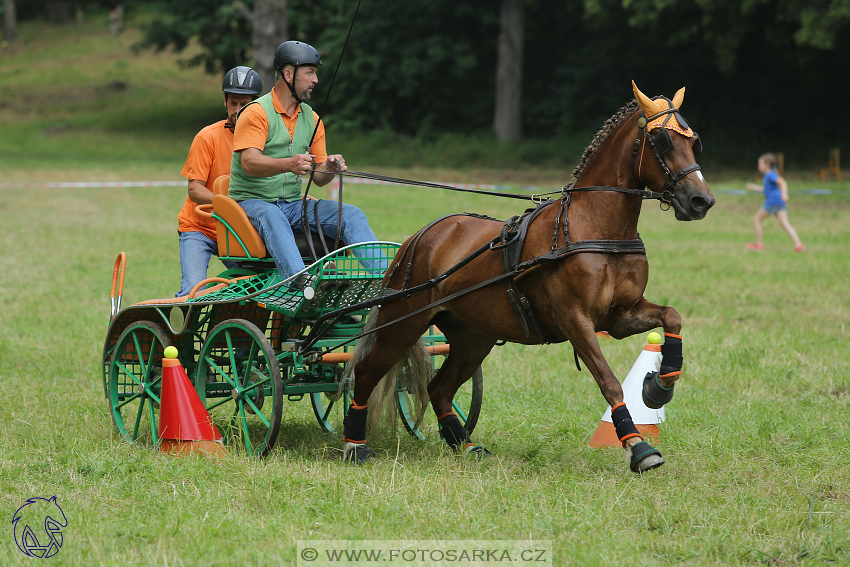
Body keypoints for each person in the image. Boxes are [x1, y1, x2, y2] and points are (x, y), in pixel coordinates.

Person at [228, 41, 384, 286]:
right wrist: (289, 164)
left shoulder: (312, 119)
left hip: (292, 204)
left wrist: (329, 167)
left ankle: (388, 283)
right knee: (272, 215)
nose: (315, 80)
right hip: (250, 202)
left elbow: (319, 178)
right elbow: (249, 162)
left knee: (352, 215)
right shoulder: (256, 112)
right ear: (288, 75)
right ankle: (302, 284)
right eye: (310, 72)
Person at [176, 66, 263, 297]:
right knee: (193, 291)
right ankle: (181, 318)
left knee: (256, 289)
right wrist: (228, 204)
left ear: (255, 105)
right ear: (225, 102)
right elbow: (195, 190)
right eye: (233, 103)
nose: (237, 110)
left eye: (244, 104)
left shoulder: (265, 140)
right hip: (199, 228)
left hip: (236, 230)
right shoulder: (207, 137)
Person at [745, 153, 805, 252]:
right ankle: (798, 245)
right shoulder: (768, 175)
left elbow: (782, 182)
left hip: (772, 202)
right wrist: (754, 187)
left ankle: (759, 244)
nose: (758, 166)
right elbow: (766, 190)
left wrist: (784, 193)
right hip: (779, 202)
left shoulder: (770, 174)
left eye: (760, 164)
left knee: (756, 220)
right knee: (785, 224)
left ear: (767, 164)